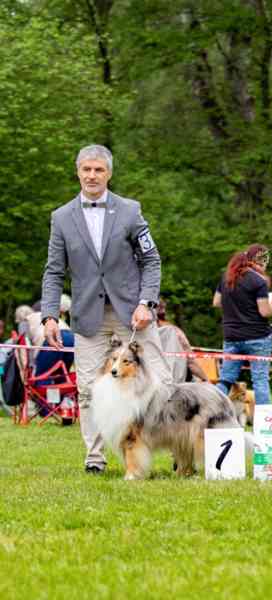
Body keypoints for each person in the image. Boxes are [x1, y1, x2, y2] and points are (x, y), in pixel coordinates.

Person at [41, 144, 171, 474]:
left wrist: (147, 303)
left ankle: (171, 450)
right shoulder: (61, 217)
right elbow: (54, 271)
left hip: (133, 314)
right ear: (78, 172)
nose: (92, 175)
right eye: (86, 169)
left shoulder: (130, 211)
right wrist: (50, 315)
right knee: (88, 388)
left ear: (109, 173)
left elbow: (151, 260)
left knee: (160, 382)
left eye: (99, 170)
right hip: (87, 316)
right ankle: (95, 457)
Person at [213, 244, 272, 405]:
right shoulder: (258, 281)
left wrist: (236, 305)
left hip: (231, 336)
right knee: (260, 380)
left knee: (225, 379)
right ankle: (264, 424)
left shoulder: (226, 277)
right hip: (257, 336)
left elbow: (217, 302)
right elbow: (265, 311)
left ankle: (212, 411)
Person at [156, 298, 209, 383]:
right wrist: (206, 379)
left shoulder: (140, 335)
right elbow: (191, 362)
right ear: (164, 310)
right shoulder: (174, 331)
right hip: (177, 382)